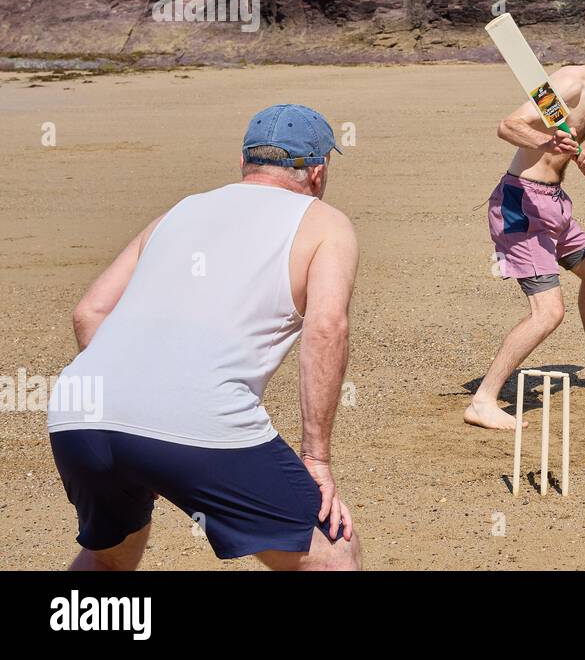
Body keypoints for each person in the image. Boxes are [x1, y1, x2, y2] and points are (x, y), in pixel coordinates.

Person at [47, 104, 362, 570]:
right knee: (332, 555)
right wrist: (316, 459)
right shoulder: (325, 222)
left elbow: (89, 313)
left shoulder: (180, 210)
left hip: (79, 415)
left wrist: (134, 422)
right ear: (318, 171)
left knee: (109, 557)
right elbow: (327, 328)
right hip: (196, 415)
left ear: (243, 163)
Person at [465, 15, 585, 431]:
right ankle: (483, 401)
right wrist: (545, 141)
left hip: (553, 203)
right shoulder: (566, 84)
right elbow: (508, 125)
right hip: (520, 204)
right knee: (548, 313)